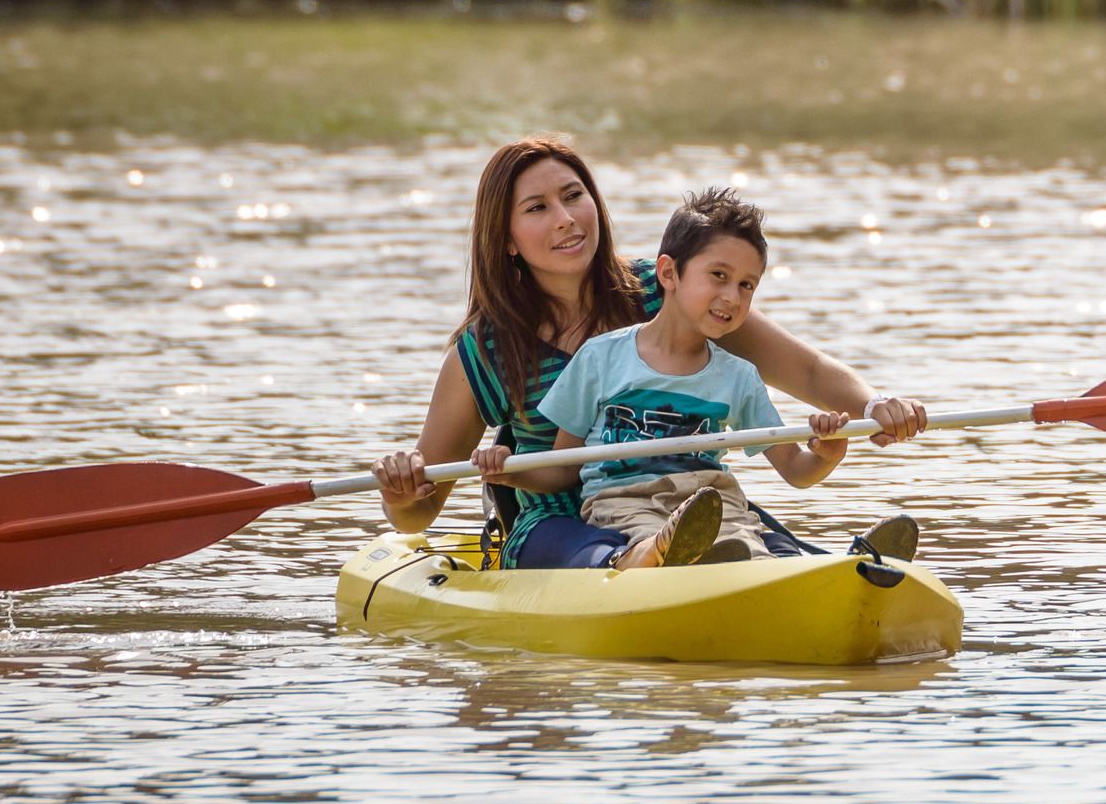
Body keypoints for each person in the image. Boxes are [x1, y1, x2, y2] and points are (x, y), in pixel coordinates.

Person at [370, 135, 917, 556]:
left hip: (685, 494)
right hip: (560, 523)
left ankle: (847, 572)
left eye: (573, 196)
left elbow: (809, 371)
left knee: (763, 542)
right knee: (618, 547)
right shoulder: (483, 352)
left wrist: (874, 406)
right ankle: (654, 563)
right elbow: (422, 508)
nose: (566, 219)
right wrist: (400, 492)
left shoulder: (669, 289)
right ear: (506, 239)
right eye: (537, 208)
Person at [489, 184, 920, 570]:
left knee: (748, 542)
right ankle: (653, 558)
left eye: (747, 285)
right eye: (719, 276)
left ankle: (848, 574)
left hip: (710, 503)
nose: (732, 296)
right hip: (624, 503)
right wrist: (509, 473)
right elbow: (564, 468)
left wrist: (827, 453)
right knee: (658, 538)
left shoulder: (738, 376)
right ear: (668, 273)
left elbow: (795, 470)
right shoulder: (601, 358)